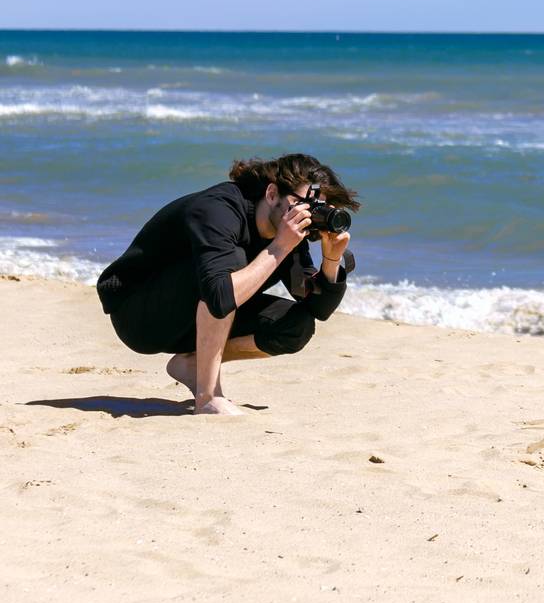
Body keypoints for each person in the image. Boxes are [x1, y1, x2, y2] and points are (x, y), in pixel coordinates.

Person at [95, 153, 359, 415]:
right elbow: (219, 296)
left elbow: (317, 309)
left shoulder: (289, 235)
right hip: (139, 314)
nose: (305, 216)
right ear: (271, 194)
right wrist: (280, 246)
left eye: (315, 209)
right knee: (229, 266)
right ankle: (208, 397)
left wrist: (331, 260)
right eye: (300, 204)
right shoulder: (219, 210)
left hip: (192, 320)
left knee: (296, 326)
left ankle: (193, 364)